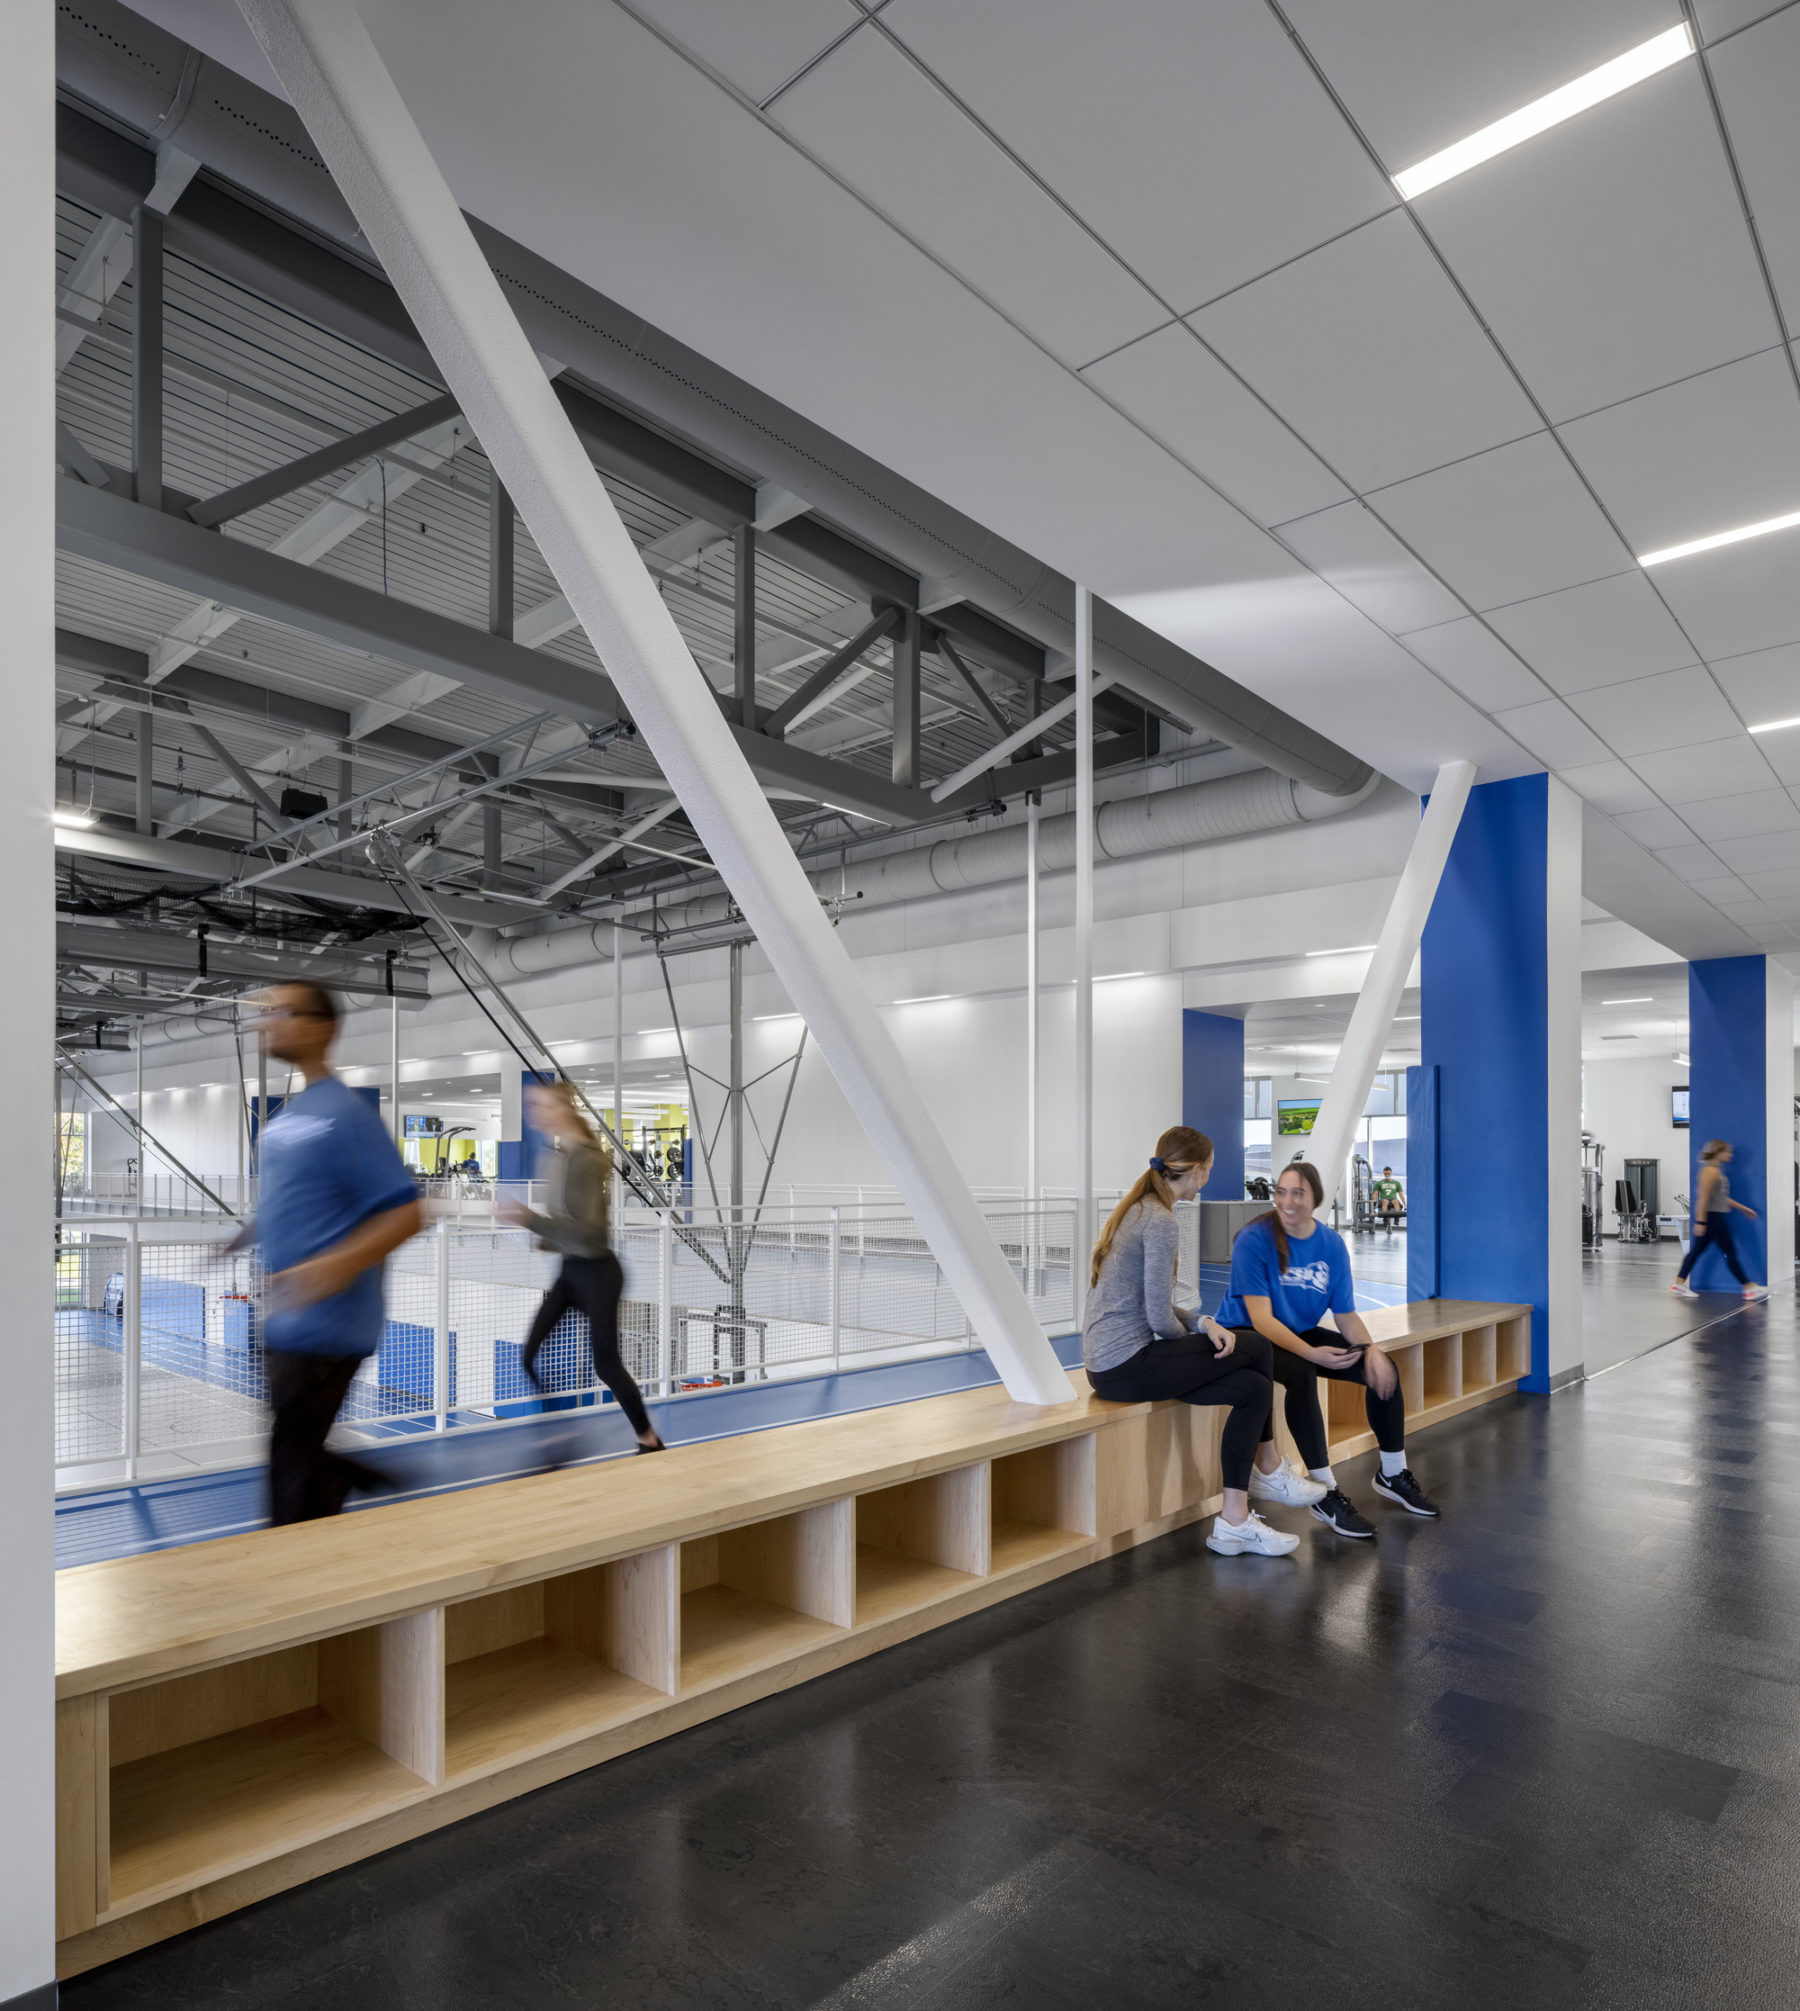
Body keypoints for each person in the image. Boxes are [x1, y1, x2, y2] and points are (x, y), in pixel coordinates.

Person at [1083, 1125, 1325, 1559]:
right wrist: (1203, 1345)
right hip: (1125, 1365)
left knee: (1253, 1389)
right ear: (1195, 1171)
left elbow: (1156, 1305)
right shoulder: (1159, 1221)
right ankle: (1267, 1467)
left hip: (1114, 1366)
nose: (1209, 1177)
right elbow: (1158, 1319)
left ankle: (1234, 1520)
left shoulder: (1140, 1209)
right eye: (1209, 1170)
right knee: (1255, 1347)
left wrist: (1203, 1324)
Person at [246, 983, 422, 1525]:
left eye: (282, 1012)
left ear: (321, 1026)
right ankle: (340, 1481)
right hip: (287, 1316)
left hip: (330, 1321)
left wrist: (335, 1267)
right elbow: (301, 1195)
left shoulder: (345, 1114)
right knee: (294, 1451)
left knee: (290, 1473)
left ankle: (295, 1585)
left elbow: (406, 1212)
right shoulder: (299, 1111)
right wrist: (248, 1233)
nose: (267, 1022)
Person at [1217, 1160, 1439, 1539]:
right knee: (1301, 1373)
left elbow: (1346, 1313)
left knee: (1382, 1367)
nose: (1287, 1201)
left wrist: (1369, 1351)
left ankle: (1392, 1472)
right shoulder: (1255, 1239)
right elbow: (1261, 1319)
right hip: (1246, 1335)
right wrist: (1311, 1353)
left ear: (1316, 1199)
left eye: (1297, 1193)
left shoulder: (1331, 1245)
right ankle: (1325, 1491)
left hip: (1298, 1331)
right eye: (1281, 1192)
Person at [501, 1079, 665, 1452]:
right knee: (528, 1355)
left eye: (541, 1106)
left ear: (563, 1110)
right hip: (571, 1272)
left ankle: (648, 1439)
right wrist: (546, 1236)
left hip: (598, 1274)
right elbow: (568, 1228)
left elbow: (591, 1234)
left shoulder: (589, 1159)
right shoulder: (556, 1156)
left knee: (606, 1365)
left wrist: (528, 1219)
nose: (533, 1114)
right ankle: (560, 1431)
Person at [1672, 1139, 1764, 1299]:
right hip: (1713, 1218)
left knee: (1695, 1251)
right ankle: (1748, 1288)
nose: (1730, 1154)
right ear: (1718, 1152)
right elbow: (1703, 1198)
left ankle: (1678, 1284)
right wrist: (1701, 1222)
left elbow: (1722, 1198)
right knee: (1730, 1251)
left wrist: (1742, 1208)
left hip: (1714, 1216)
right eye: (1727, 1152)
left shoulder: (1715, 1171)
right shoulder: (1710, 1171)